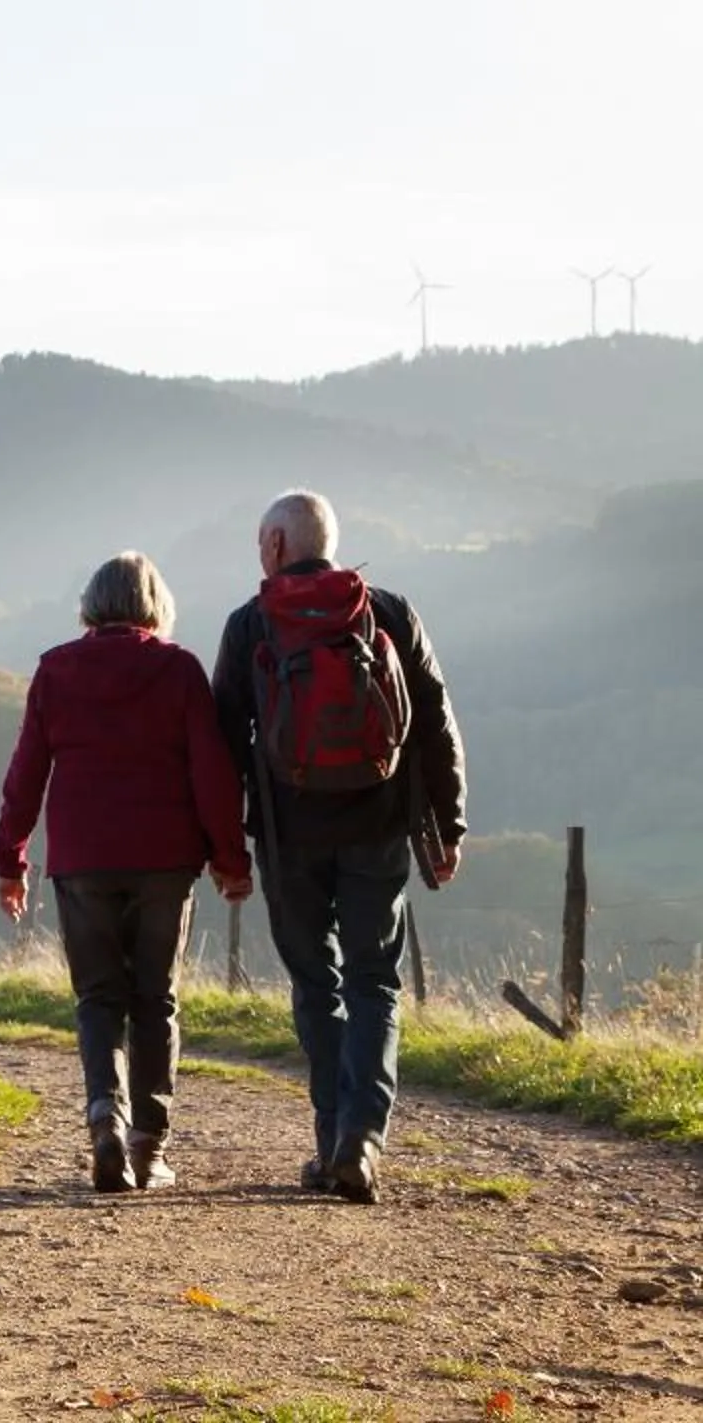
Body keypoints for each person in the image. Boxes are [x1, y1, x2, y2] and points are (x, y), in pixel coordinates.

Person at [213, 489, 466, 1205]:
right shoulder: (386, 610)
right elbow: (435, 724)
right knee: (374, 982)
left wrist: (226, 848)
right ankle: (361, 1141)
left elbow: (222, 744)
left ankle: (330, 1138)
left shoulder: (251, 624)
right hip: (379, 828)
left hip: (288, 835)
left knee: (316, 985)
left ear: (273, 545)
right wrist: (446, 827)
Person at [0, 552, 253, 1194]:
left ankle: (105, 1113)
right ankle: (148, 1146)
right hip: (166, 860)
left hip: (83, 862)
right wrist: (230, 860)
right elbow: (212, 774)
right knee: (155, 999)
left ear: (90, 604)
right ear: (154, 605)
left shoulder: (56, 670)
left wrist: (11, 860)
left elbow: (27, 772)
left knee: (98, 999)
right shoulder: (179, 669)